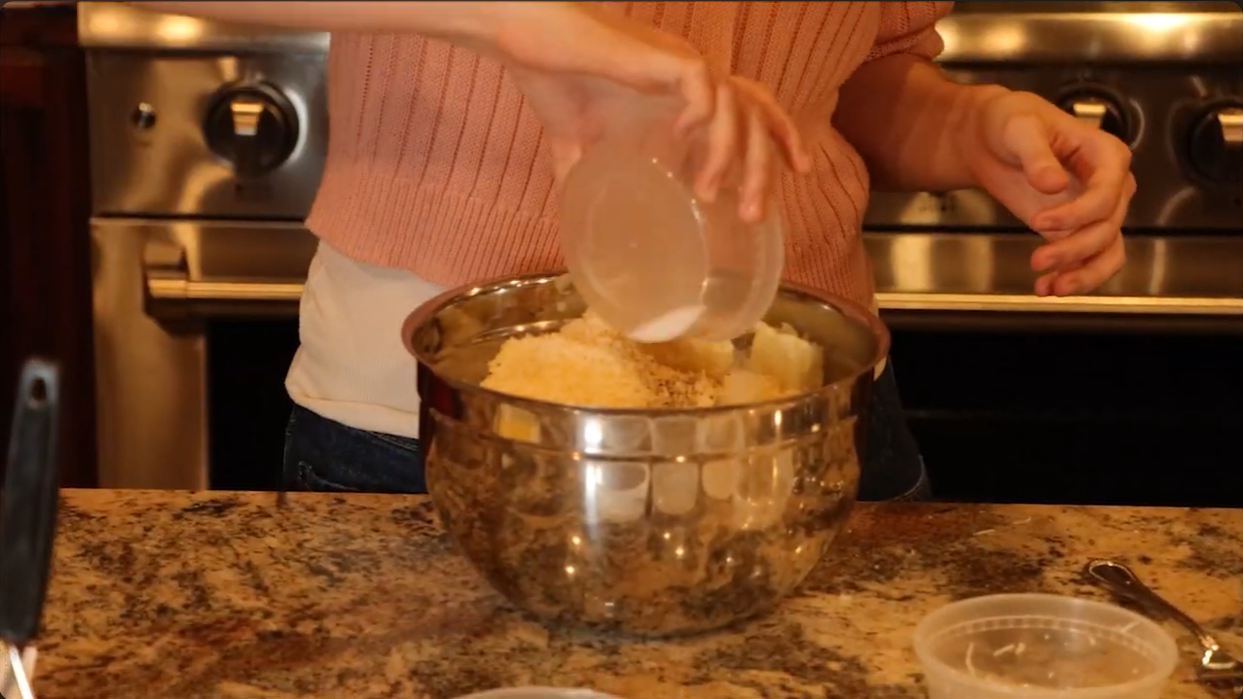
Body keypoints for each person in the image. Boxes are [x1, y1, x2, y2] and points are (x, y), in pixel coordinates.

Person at [137, 1, 1134, 501]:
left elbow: (859, 67)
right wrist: (515, 22)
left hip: (803, 432)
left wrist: (970, 129)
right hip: (427, 427)